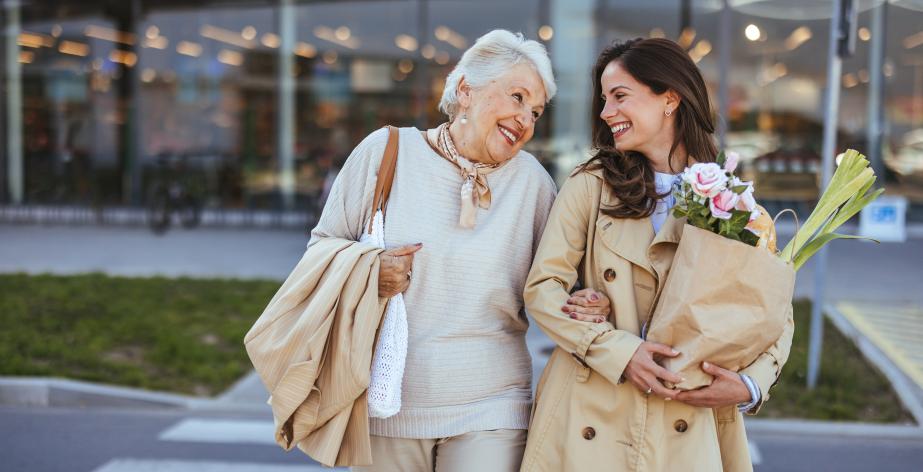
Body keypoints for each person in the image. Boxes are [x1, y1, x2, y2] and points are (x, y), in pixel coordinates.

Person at [309, 29, 608, 472]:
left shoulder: (532, 183)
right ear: (466, 90)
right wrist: (370, 272)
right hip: (387, 404)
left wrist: (586, 300)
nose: (525, 119)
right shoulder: (385, 152)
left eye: (536, 111)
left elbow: (563, 279)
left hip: (493, 405)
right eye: (517, 97)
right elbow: (321, 250)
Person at [520, 38, 794, 471]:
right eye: (604, 99)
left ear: (670, 98)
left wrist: (750, 385)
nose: (605, 112)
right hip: (592, 411)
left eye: (620, 96)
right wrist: (619, 351)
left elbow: (773, 308)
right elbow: (542, 288)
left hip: (688, 421)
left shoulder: (731, 199)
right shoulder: (590, 185)